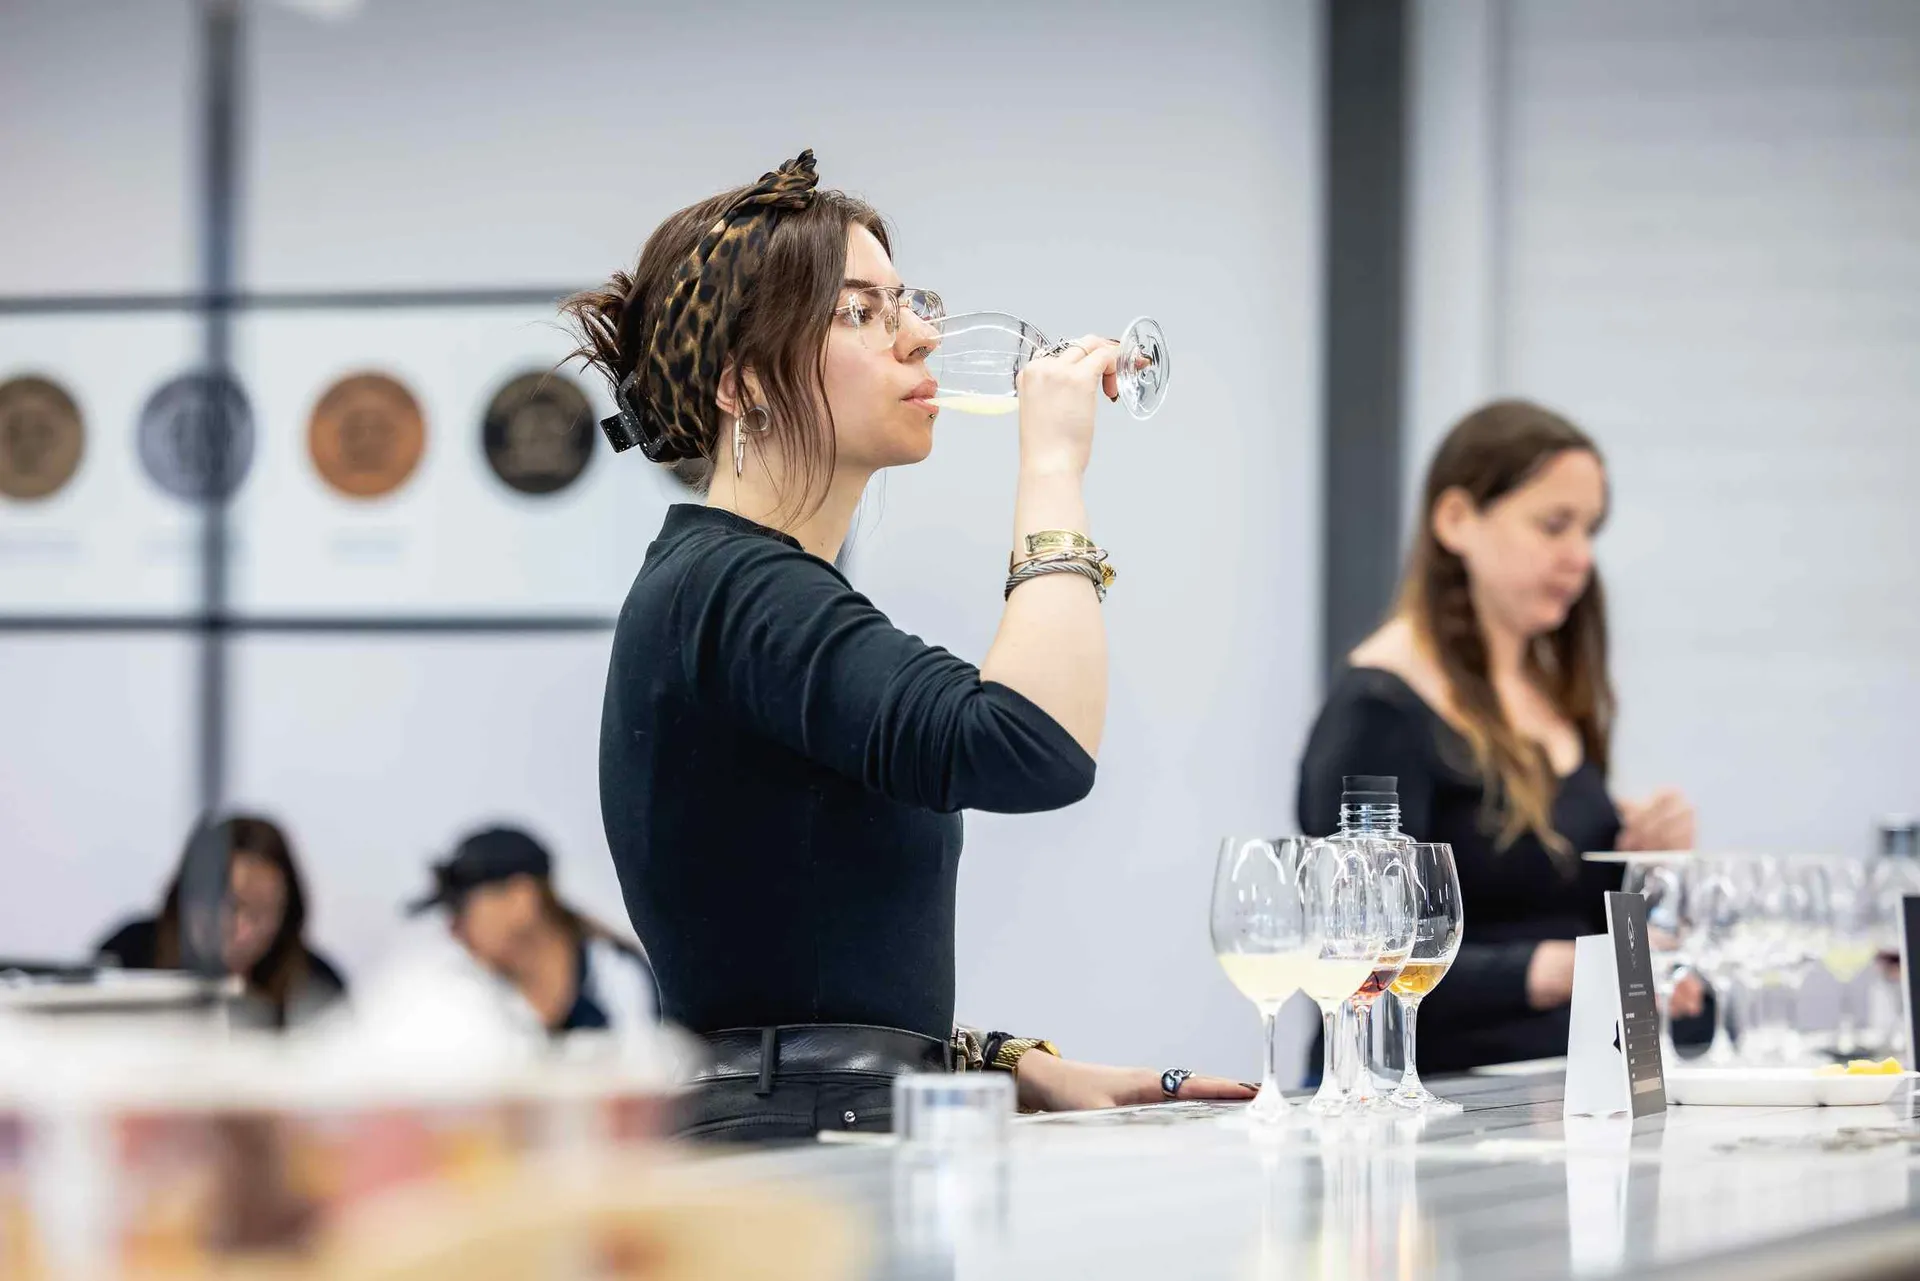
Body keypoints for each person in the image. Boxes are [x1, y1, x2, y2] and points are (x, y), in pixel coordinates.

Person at [567, 149, 1248, 1141]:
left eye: (909, 301)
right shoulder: (734, 588)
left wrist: (994, 1062)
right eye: (862, 313)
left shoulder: (738, 587)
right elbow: (1031, 743)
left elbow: (793, 960)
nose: (922, 336)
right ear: (745, 382)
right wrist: (1053, 466)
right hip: (796, 1162)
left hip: (804, 1132)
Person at [1296, 399, 1702, 1073]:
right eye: (1553, 524)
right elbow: (1354, 959)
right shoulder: (1380, 705)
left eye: (1590, 529)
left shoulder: (1554, 696)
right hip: (1422, 1099)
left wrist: (1647, 865)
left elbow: (1562, 905)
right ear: (1456, 520)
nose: (1580, 556)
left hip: (1558, 1085)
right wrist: (1557, 967)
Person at [96, 814, 347, 1030]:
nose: (245, 931)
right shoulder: (127, 957)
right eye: (232, 907)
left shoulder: (317, 985)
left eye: (263, 913)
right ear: (189, 896)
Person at [406, 825, 658, 1035]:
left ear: (521, 898)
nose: (453, 930)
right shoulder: (472, 1001)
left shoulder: (617, 980)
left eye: (461, 909)